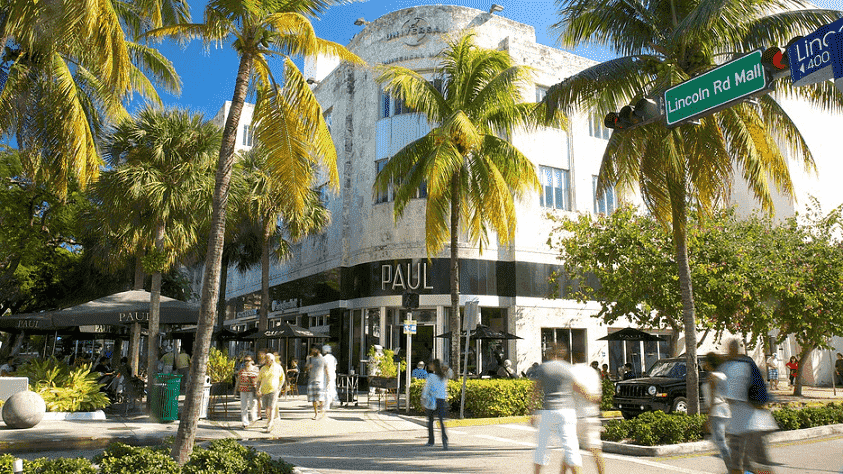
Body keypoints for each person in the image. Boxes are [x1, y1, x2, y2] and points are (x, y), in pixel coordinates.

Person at [531, 342, 598, 474]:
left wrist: (532, 411)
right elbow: (577, 387)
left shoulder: (543, 368)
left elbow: (536, 391)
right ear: (563, 354)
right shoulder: (569, 368)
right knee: (571, 447)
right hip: (567, 412)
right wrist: (590, 397)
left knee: (543, 448)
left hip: (549, 411)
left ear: (549, 353)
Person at [719, 339, 778, 474]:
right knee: (759, 463)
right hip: (754, 422)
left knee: (741, 464)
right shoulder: (747, 363)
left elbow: (730, 397)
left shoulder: (729, 367)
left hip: (744, 423)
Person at [572, 354, 605, 474]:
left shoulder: (571, 371)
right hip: (592, 416)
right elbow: (599, 397)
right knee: (596, 451)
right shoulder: (593, 372)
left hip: (576, 417)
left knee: (571, 453)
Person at [702, 352, 731, 469]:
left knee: (720, 442)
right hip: (726, 410)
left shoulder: (712, 377)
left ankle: (733, 467)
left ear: (709, 363)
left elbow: (713, 397)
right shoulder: (723, 375)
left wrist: (708, 416)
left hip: (717, 411)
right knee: (723, 442)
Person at [421, 359, 449, 450]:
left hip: (432, 400)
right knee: (441, 421)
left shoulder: (431, 376)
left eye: (431, 364)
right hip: (441, 400)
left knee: (430, 421)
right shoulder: (443, 376)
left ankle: (431, 441)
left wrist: (423, 399)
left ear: (434, 366)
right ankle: (445, 442)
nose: (429, 365)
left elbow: (426, 388)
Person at [257, 352, 283, 432]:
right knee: (266, 408)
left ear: (272, 360)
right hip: (264, 391)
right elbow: (259, 380)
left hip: (274, 390)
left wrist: (279, 387)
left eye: (268, 359)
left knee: (271, 407)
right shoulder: (263, 368)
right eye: (266, 359)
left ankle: (271, 422)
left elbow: (282, 378)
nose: (267, 361)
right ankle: (269, 421)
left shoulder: (278, 367)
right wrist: (258, 389)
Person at [235, 356, 259, 428]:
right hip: (242, 389)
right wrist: (235, 389)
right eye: (245, 361)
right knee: (243, 406)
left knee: (252, 404)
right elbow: (238, 380)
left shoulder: (255, 369)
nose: (246, 362)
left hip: (251, 389)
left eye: (248, 360)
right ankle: (245, 422)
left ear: (252, 361)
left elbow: (258, 379)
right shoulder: (242, 369)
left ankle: (253, 417)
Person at [306, 344, 328, 419]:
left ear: (318, 350)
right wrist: (308, 367)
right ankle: (316, 414)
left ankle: (322, 408)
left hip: (320, 381)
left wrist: (328, 380)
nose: (313, 351)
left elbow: (326, 369)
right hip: (311, 381)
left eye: (314, 349)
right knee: (313, 399)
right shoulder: (310, 358)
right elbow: (305, 369)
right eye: (312, 349)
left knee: (320, 398)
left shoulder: (323, 359)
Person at [322, 345, 338, 410]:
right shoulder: (333, 358)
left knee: (327, 390)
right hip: (333, 375)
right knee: (332, 388)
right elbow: (335, 366)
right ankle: (333, 402)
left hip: (326, 376)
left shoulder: (324, 358)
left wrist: (327, 375)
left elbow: (326, 368)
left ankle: (327, 405)